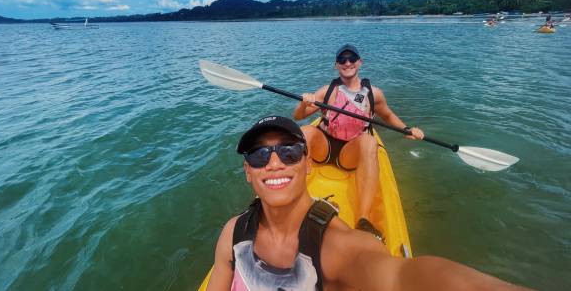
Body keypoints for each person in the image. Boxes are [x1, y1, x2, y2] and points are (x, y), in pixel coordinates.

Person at [206, 116, 534, 291]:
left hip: (351, 147)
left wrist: (407, 129)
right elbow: (302, 118)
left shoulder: (336, 247)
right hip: (325, 142)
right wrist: (307, 107)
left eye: (289, 151)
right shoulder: (233, 234)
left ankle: (364, 216)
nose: (274, 163)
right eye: (260, 154)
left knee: (367, 141)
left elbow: (397, 278)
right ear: (248, 171)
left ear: (307, 165)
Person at [293, 44, 423, 238]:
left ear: (359, 63)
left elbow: (387, 115)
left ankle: (363, 220)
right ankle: (294, 200)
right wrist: (304, 103)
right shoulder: (329, 90)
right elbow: (298, 116)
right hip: (324, 146)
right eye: (343, 60)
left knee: (370, 142)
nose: (348, 63)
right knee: (305, 132)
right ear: (337, 65)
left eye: (352, 59)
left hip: (350, 153)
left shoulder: (373, 93)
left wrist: (406, 129)